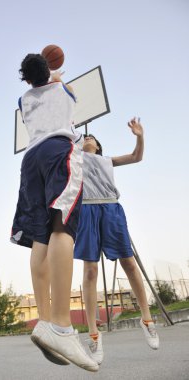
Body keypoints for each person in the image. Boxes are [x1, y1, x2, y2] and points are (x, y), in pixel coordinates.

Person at [10, 53, 98, 372]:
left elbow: (41, 84)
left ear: (27, 79)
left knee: (40, 237)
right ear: (48, 72)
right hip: (58, 151)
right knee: (63, 228)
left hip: (30, 160)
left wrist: (47, 73)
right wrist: (58, 75)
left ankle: (45, 320)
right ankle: (62, 326)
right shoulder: (63, 90)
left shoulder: (24, 100)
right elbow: (65, 88)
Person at [74, 118, 159, 365]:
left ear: (99, 147)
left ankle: (147, 320)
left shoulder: (107, 161)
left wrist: (139, 136)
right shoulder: (75, 160)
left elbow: (136, 157)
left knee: (129, 264)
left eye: (93, 139)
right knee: (90, 271)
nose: (89, 139)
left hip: (110, 209)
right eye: (86, 138)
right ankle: (93, 334)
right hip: (87, 211)